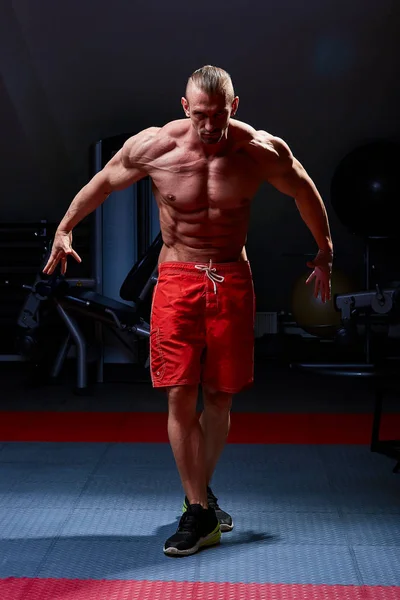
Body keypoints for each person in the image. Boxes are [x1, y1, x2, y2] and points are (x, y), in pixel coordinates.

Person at [43, 65, 333, 557]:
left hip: (231, 278)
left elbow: (302, 187)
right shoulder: (155, 147)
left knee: (219, 398)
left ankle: (198, 497)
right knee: (179, 393)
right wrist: (65, 229)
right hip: (177, 279)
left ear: (234, 108)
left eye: (218, 115)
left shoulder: (260, 150)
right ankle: (198, 510)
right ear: (185, 108)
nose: (209, 126)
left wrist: (324, 249)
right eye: (200, 115)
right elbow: (105, 182)